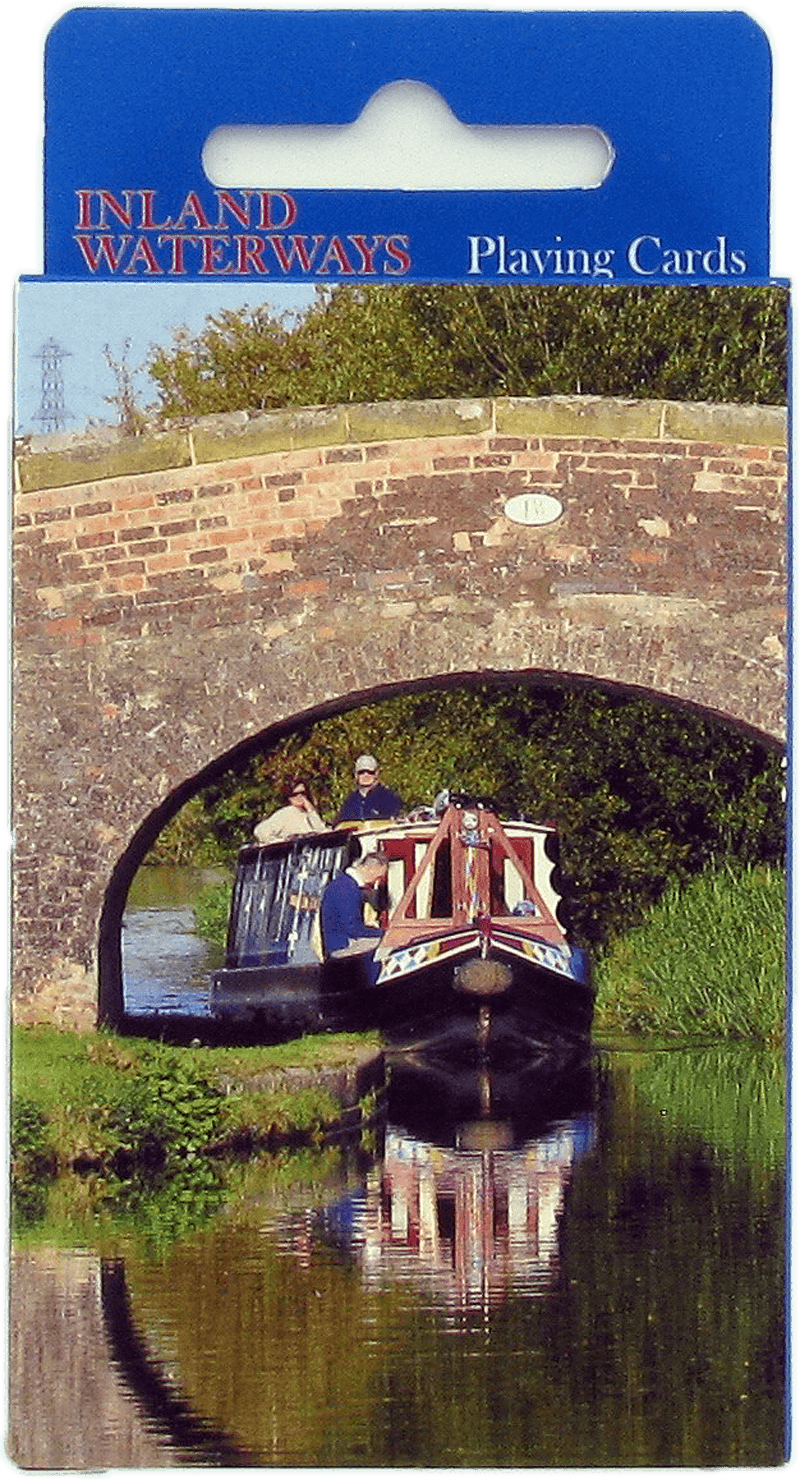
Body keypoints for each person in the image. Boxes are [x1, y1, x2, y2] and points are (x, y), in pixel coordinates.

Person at [320, 850, 389, 964]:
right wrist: (383, 933)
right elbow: (352, 928)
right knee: (388, 945)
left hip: (338, 941)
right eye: (378, 877)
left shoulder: (344, 883)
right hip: (341, 945)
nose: (377, 881)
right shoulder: (348, 888)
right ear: (370, 869)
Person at [334, 754, 404, 825]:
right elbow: (339, 824)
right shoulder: (351, 800)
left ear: (376, 773)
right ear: (356, 775)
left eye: (370, 772)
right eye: (361, 772)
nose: (366, 775)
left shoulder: (389, 797)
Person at [253, 779, 327, 845]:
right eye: (295, 794)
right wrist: (281, 842)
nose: (300, 796)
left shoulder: (309, 813)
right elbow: (260, 831)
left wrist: (311, 811)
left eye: (303, 793)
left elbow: (321, 831)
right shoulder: (285, 813)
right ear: (289, 797)